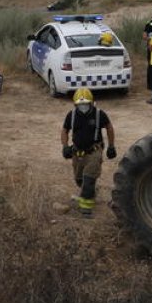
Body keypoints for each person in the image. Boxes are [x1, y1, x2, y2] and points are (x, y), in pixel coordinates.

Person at [60, 88, 116, 218]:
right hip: (77, 153)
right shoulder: (72, 115)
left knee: (89, 178)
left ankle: (86, 208)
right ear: (75, 105)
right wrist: (65, 146)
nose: (83, 107)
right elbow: (64, 130)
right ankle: (89, 192)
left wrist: (111, 146)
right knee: (79, 180)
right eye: (80, 105)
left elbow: (109, 127)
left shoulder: (99, 114)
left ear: (92, 103)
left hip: (94, 152)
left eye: (86, 104)